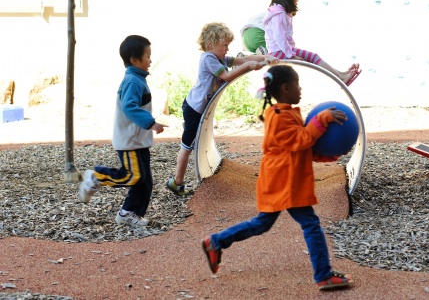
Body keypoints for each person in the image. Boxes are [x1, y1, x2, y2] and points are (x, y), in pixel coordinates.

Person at [201, 64, 354, 291]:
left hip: (284, 182)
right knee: (311, 224)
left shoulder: (285, 115)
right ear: (285, 88)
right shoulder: (280, 117)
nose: (300, 89)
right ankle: (323, 275)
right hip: (285, 183)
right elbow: (301, 140)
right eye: (297, 85)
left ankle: (216, 242)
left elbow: (300, 148)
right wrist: (322, 119)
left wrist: (326, 156)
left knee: (262, 224)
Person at [165, 22, 279, 196]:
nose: (227, 49)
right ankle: (177, 182)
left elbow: (244, 60)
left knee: (191, 144)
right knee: (187, 146)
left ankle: (177, 181)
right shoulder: (208, 58)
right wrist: (248, 67)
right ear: (211, 44)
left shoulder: (219, 58)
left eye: (228, 45)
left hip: (199, 107)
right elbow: (226, 76)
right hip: (194, 109)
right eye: (224, 45)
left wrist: (265, 59)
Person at [78, 35, 167, 227]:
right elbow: (129, 107)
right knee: (133, 176)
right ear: (134, 60)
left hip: (138, 140)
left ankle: (128, 213)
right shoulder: (133, 82)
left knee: (144, 181)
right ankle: (97, 176)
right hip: (130, 141)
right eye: (147, 57)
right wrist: (150, 123)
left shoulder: (137, 79)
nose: (150, 60)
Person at [264, 0, 362, 86]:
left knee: (313, 59)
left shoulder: (280, 12)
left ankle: (342, 75)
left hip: (282, 50)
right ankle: (341, 78)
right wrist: (290, 55)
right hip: (279, 52)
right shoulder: (279, 14)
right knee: (314, 57)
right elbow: (279, 37)